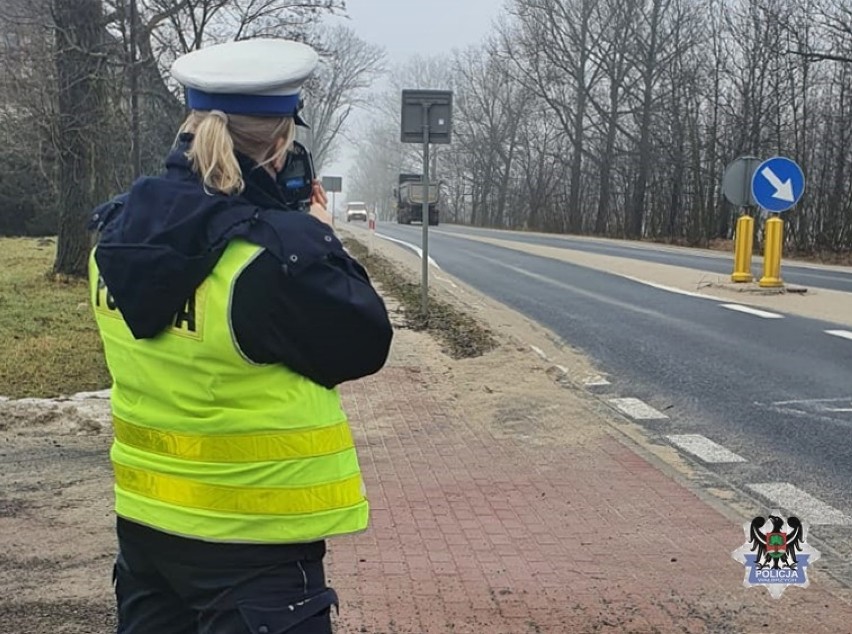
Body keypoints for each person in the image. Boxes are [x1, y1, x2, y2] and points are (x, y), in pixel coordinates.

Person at [88, 38, 393, 634]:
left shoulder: (116, 234)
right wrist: (322, 239)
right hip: (255, 548)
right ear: (279, 146)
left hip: (148, 532)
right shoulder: (274, 258)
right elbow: (365, 341)